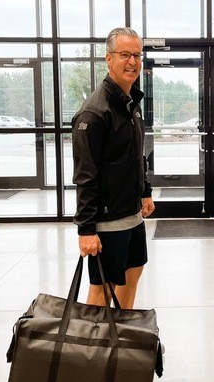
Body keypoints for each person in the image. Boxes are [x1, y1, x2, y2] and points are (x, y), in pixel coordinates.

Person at [72, 27, 154, 310]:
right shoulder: (94, 112)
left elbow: (135, 155)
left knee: (132, 276)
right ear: (108, 58)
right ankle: (93, 339)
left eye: (137, 55)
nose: (132, 62)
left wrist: (145, 192)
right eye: (124, 55)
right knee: (102, 290)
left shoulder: (131, 104)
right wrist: (86, 229)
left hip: (133, 217)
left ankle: (122, 334)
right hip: (107, 223)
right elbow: (85, 176)